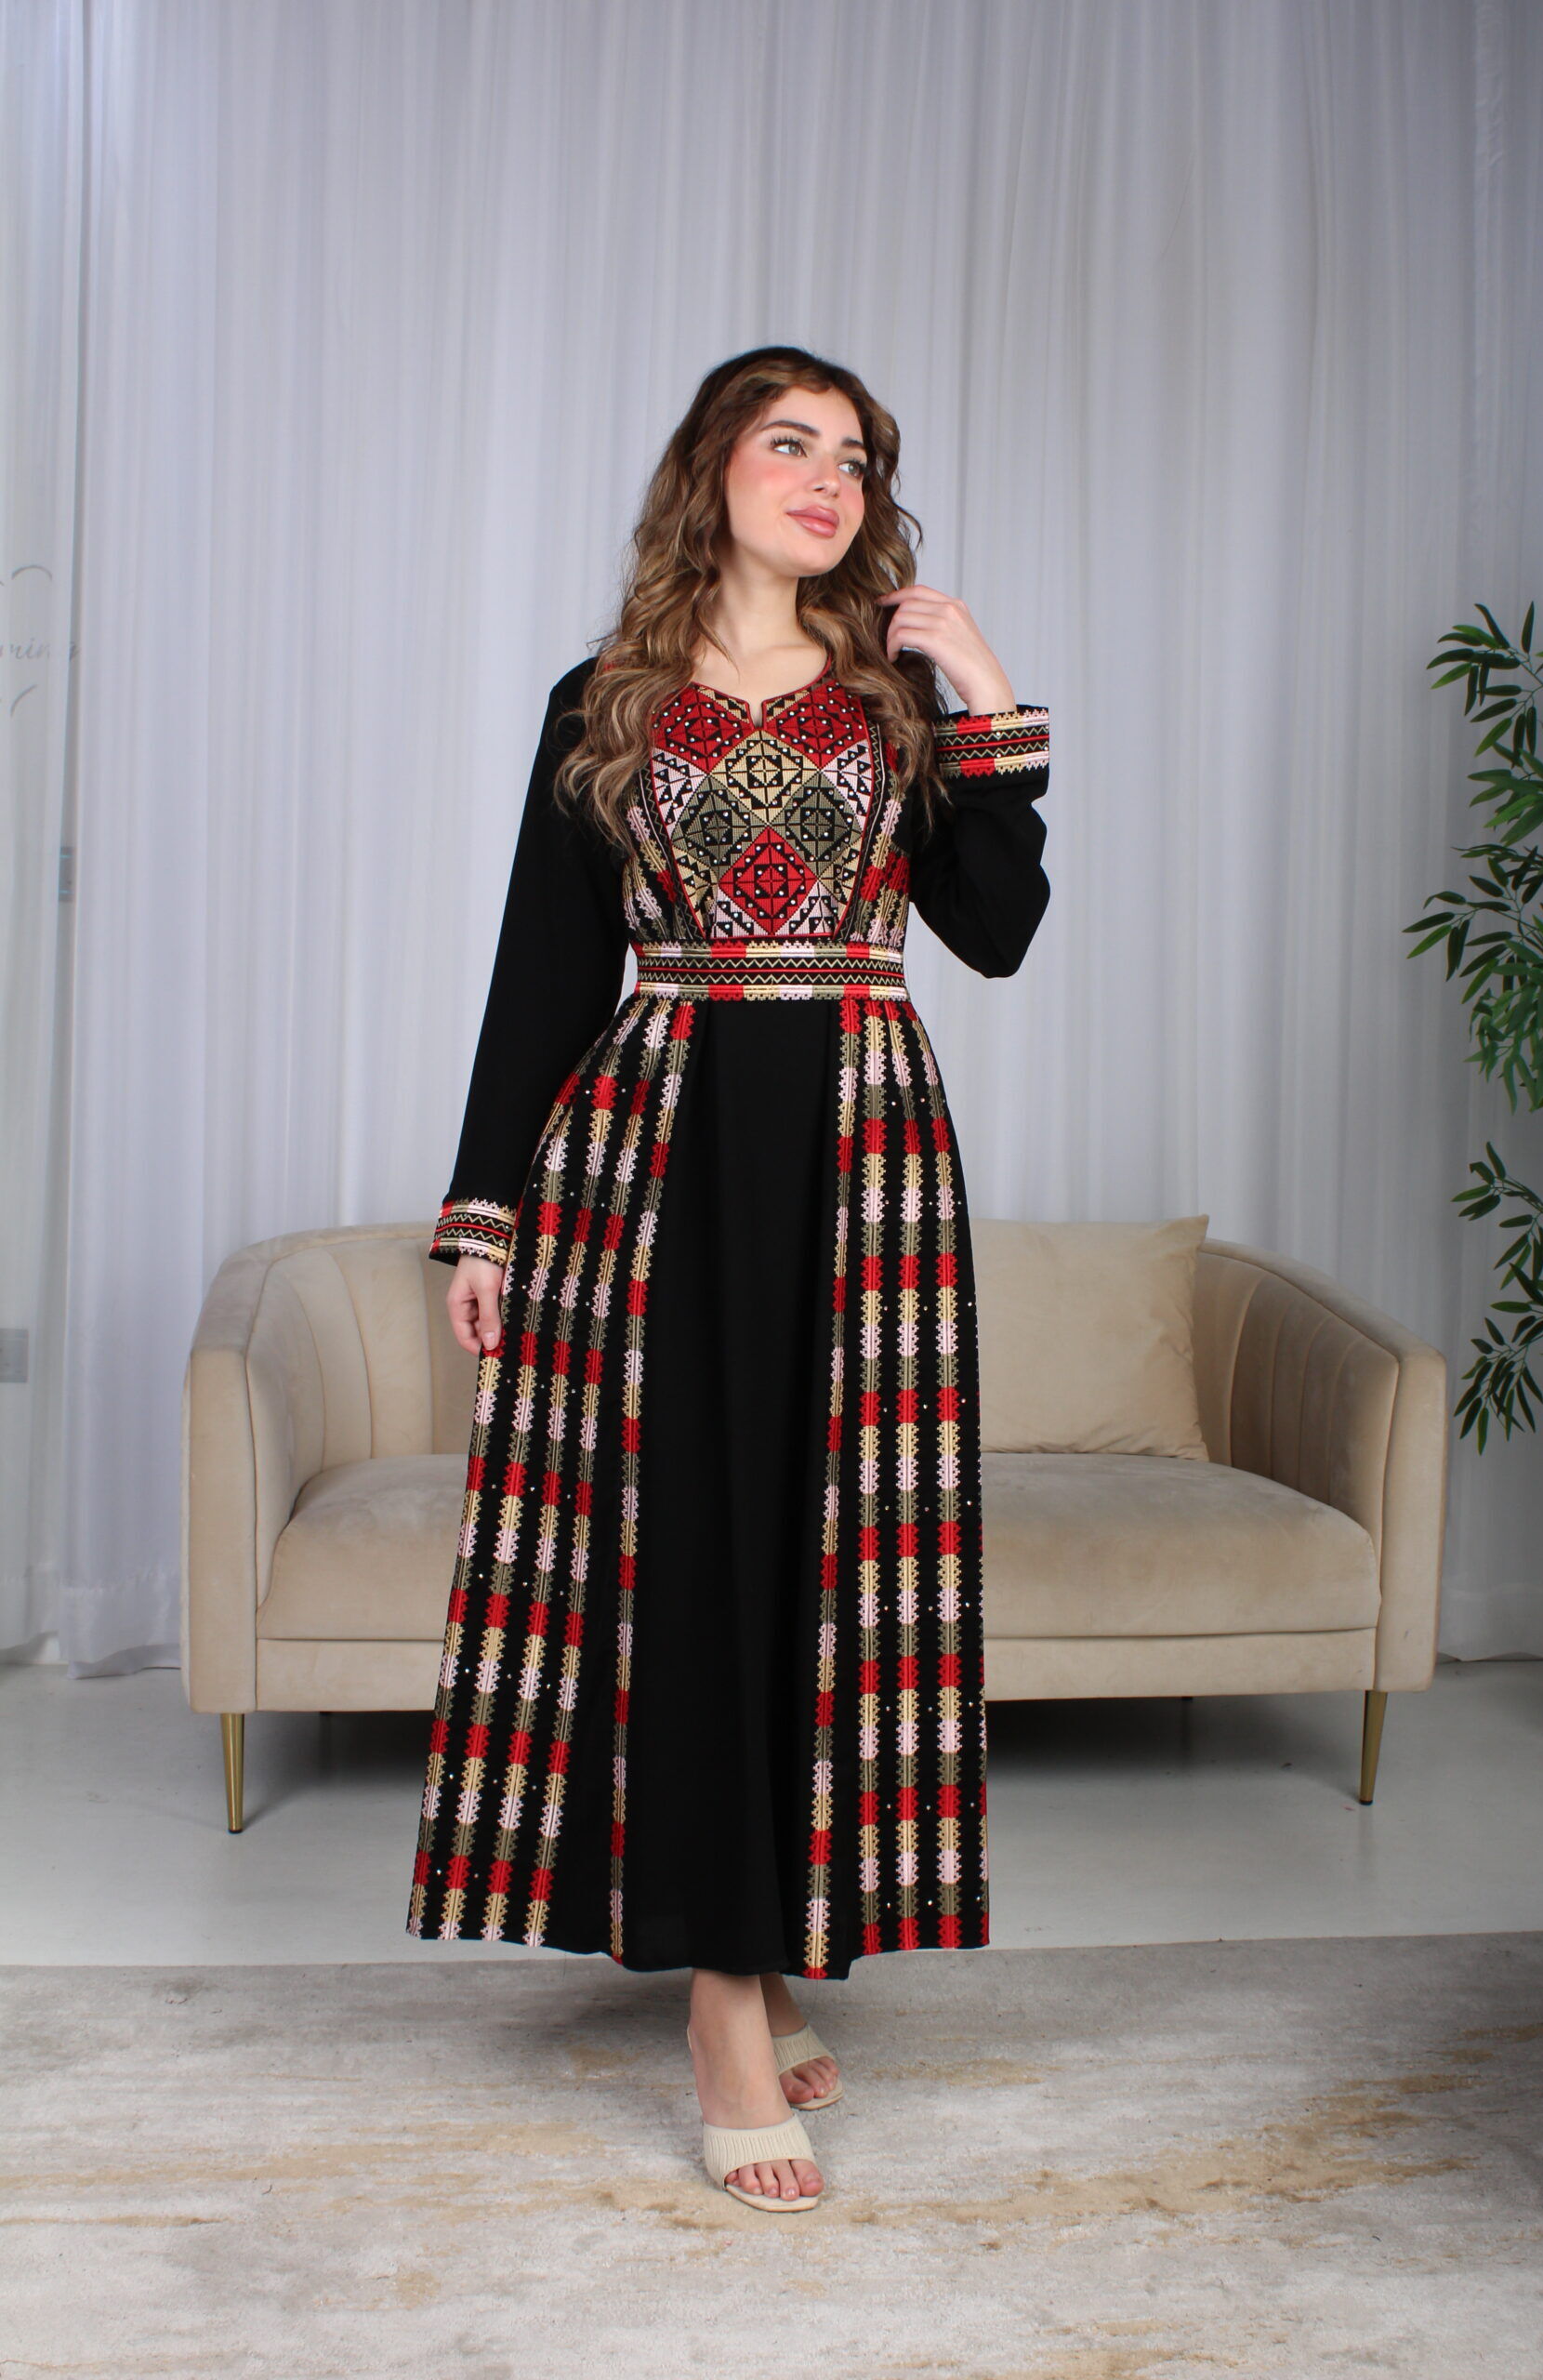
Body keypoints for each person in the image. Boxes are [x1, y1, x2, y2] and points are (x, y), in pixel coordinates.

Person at [407, 345, 1051, 2213]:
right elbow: (544, 968)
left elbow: (994, 933)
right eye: (791, 445)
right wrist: (483, 1213)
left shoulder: (895, 700)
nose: (828, 480)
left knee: (821, 1552)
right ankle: (717, 2003)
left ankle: (761, 1955)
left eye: (855, 458)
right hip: (653, 1154)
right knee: (683, 1548)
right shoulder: (604, 698)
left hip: (863, 1153)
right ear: (713, 469)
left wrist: (990, 704)